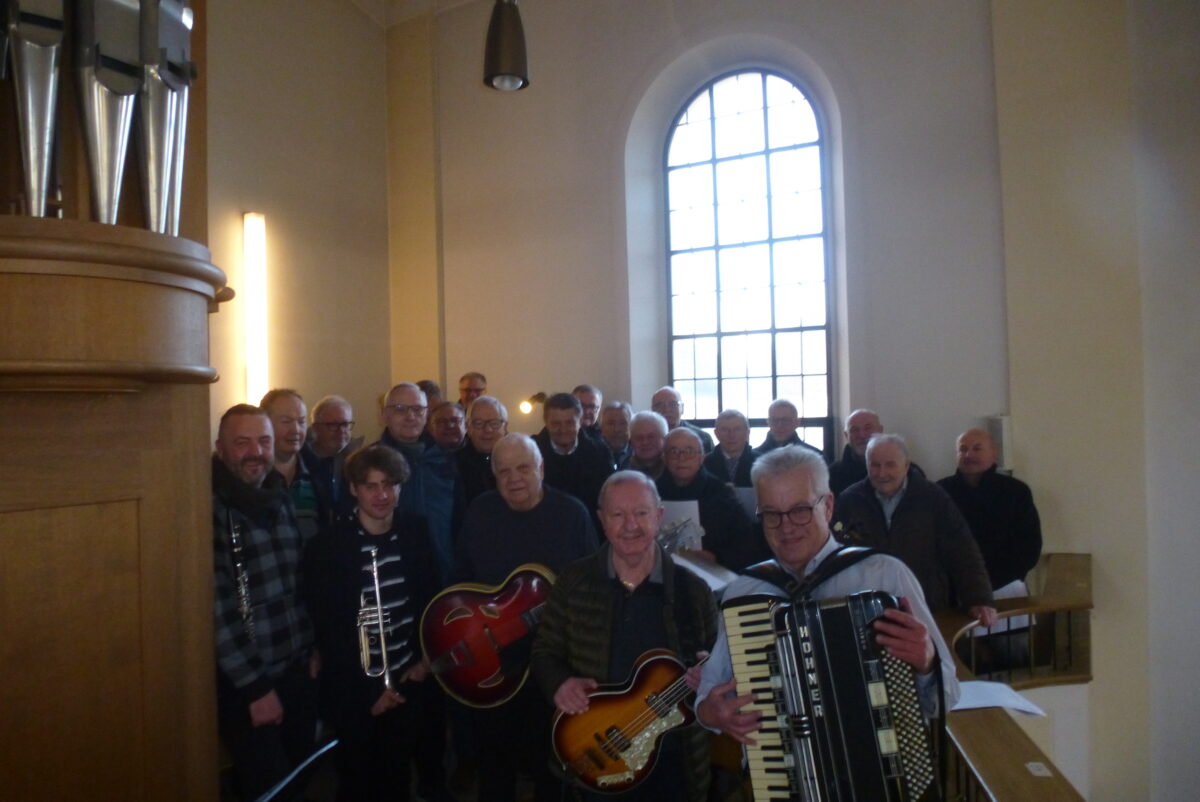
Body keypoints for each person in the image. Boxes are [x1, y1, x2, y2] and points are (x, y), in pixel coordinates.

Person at [695, 446, 959, 752]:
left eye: (800, 510)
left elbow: (947, 697)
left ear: (828, 506)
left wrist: (927, 665)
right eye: (771, 514)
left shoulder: (885, 576)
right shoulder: (744, 592)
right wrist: (710, 713)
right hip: (780, 777)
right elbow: (709, 691)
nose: (786, 526)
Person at [531, 471, 718, 801]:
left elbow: (717, 659)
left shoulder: (694, 590)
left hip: (675, 763)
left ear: (659, 517)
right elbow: (544, 650)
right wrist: (560, 683)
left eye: (641, 513)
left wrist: (711, 671)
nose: (630, 525)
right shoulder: (573, 581)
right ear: (602, 520)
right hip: (597, 754)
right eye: (618, 515)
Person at [456, 434, 600, 802]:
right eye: (503, 471)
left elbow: (591, 587)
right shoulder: (480, 511)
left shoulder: (572, 513)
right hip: (494, 658)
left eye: (523, 468)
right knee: (495, 759)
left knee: (549, 761)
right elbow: (463, 582)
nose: (513, 478)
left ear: (541, 468)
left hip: (552, 657)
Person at [303, 445, 441, 801]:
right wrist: (369, 694)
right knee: (357, 781)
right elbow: (330, 630)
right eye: (370, 486)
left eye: (390, 484)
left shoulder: (416, 530)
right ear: (353, 489)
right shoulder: (328, 547)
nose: (382, 495)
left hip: (409, 678)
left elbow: (430, 600)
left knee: (397, 780)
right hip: (356, 691)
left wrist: (425, 660)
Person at [212, 404, 318, 800]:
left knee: (300, 771)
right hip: (246, 682)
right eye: (242, 443)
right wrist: (255, 688)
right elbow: (216, 612)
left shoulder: (279, 496)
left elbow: (299, 582)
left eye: (264, 441)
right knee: (272, 787)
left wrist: (313, 645)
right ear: (220, 448)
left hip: (295, 667)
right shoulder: (207, 509)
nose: (256, 451)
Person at [834, 434, 997, 623]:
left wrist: (979, 599)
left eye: (890, 465)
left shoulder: (932, 497)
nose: (881, 473)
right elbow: (836, 550)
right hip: (868, 609)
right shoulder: (850, 500)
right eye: (875, 465)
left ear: (906, 465)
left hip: (925, 607)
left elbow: (962, 550)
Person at [937, 428, 1042, 593]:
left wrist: (991, 581)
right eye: (963, 449)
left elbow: (1030, 546)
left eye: (977, 448)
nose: (968, 455)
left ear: (994, 454)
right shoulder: (940, 492)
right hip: (954, 590)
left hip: (1006, 587)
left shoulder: (1016, 492)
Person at [376, 382, 459, 586]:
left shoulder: (447, 459)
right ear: (385, 415)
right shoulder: (372, 462)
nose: (410, 416)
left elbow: (460, 517)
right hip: (393, 573)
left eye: (417, 409)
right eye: (400, 409)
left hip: (445, 573)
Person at [657, 427, 765, 570]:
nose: (681, 458)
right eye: (674, 451)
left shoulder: (722, 493)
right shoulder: (651, 493)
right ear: (664, 458)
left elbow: (745, 543)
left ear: (701, 457)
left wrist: (716, 557)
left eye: (689, 451)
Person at [260, 388, 330, 536]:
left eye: (301, 422)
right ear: (265, 423)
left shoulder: (319, 474)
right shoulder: (253, 476)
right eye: (286, 422)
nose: (296, 430)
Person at [534, 391, 614, 513]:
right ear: (546, 422)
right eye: (556, 424)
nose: (563, 430)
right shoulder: (531, 454)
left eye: (569, 423)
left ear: (580, 421)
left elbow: (607, 498)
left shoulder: (599, 453)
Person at [301, 394, 360, 511]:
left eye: (345, 424)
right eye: (333, 425)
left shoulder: (359, 462)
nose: (341, 431)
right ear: (315, 428)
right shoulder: (300, 462)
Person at [457, 395, 508, 505]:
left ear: (505, 427)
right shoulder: (454, 464)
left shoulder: (517, 460)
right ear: (468, 427)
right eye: (479, 423)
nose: (488, 429)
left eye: (494, 423)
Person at [650, 386, 714, 453]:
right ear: (652, 410)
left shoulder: (702, 438)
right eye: (660, 405)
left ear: (682, 408)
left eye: (673, 404)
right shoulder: (645, 438)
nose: (667, 409)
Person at [704, 408, 757, 488]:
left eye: (737, 429)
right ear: (716, 433)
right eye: (725, 430)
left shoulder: (762, 463)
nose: (731, 435)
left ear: (747, 433)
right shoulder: (703, 464)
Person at [754, 398, 822, 455]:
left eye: (785, 420)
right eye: (774, 420)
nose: (779, 425)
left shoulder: (814, 456)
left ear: (797, 423)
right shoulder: (754, 458)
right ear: (768, 422)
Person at [625, 410, 669, 479]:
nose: (645, 442)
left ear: (664, 438)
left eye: (651, 437)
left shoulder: (674, 469)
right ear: (631, 442)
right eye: (639, 438)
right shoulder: (624, 470)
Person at [599, 400, 633, 469]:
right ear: (601, 427)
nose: (617, 429)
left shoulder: (640, 454)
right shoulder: (592, 454)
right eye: (611, 423)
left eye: (623, 423)